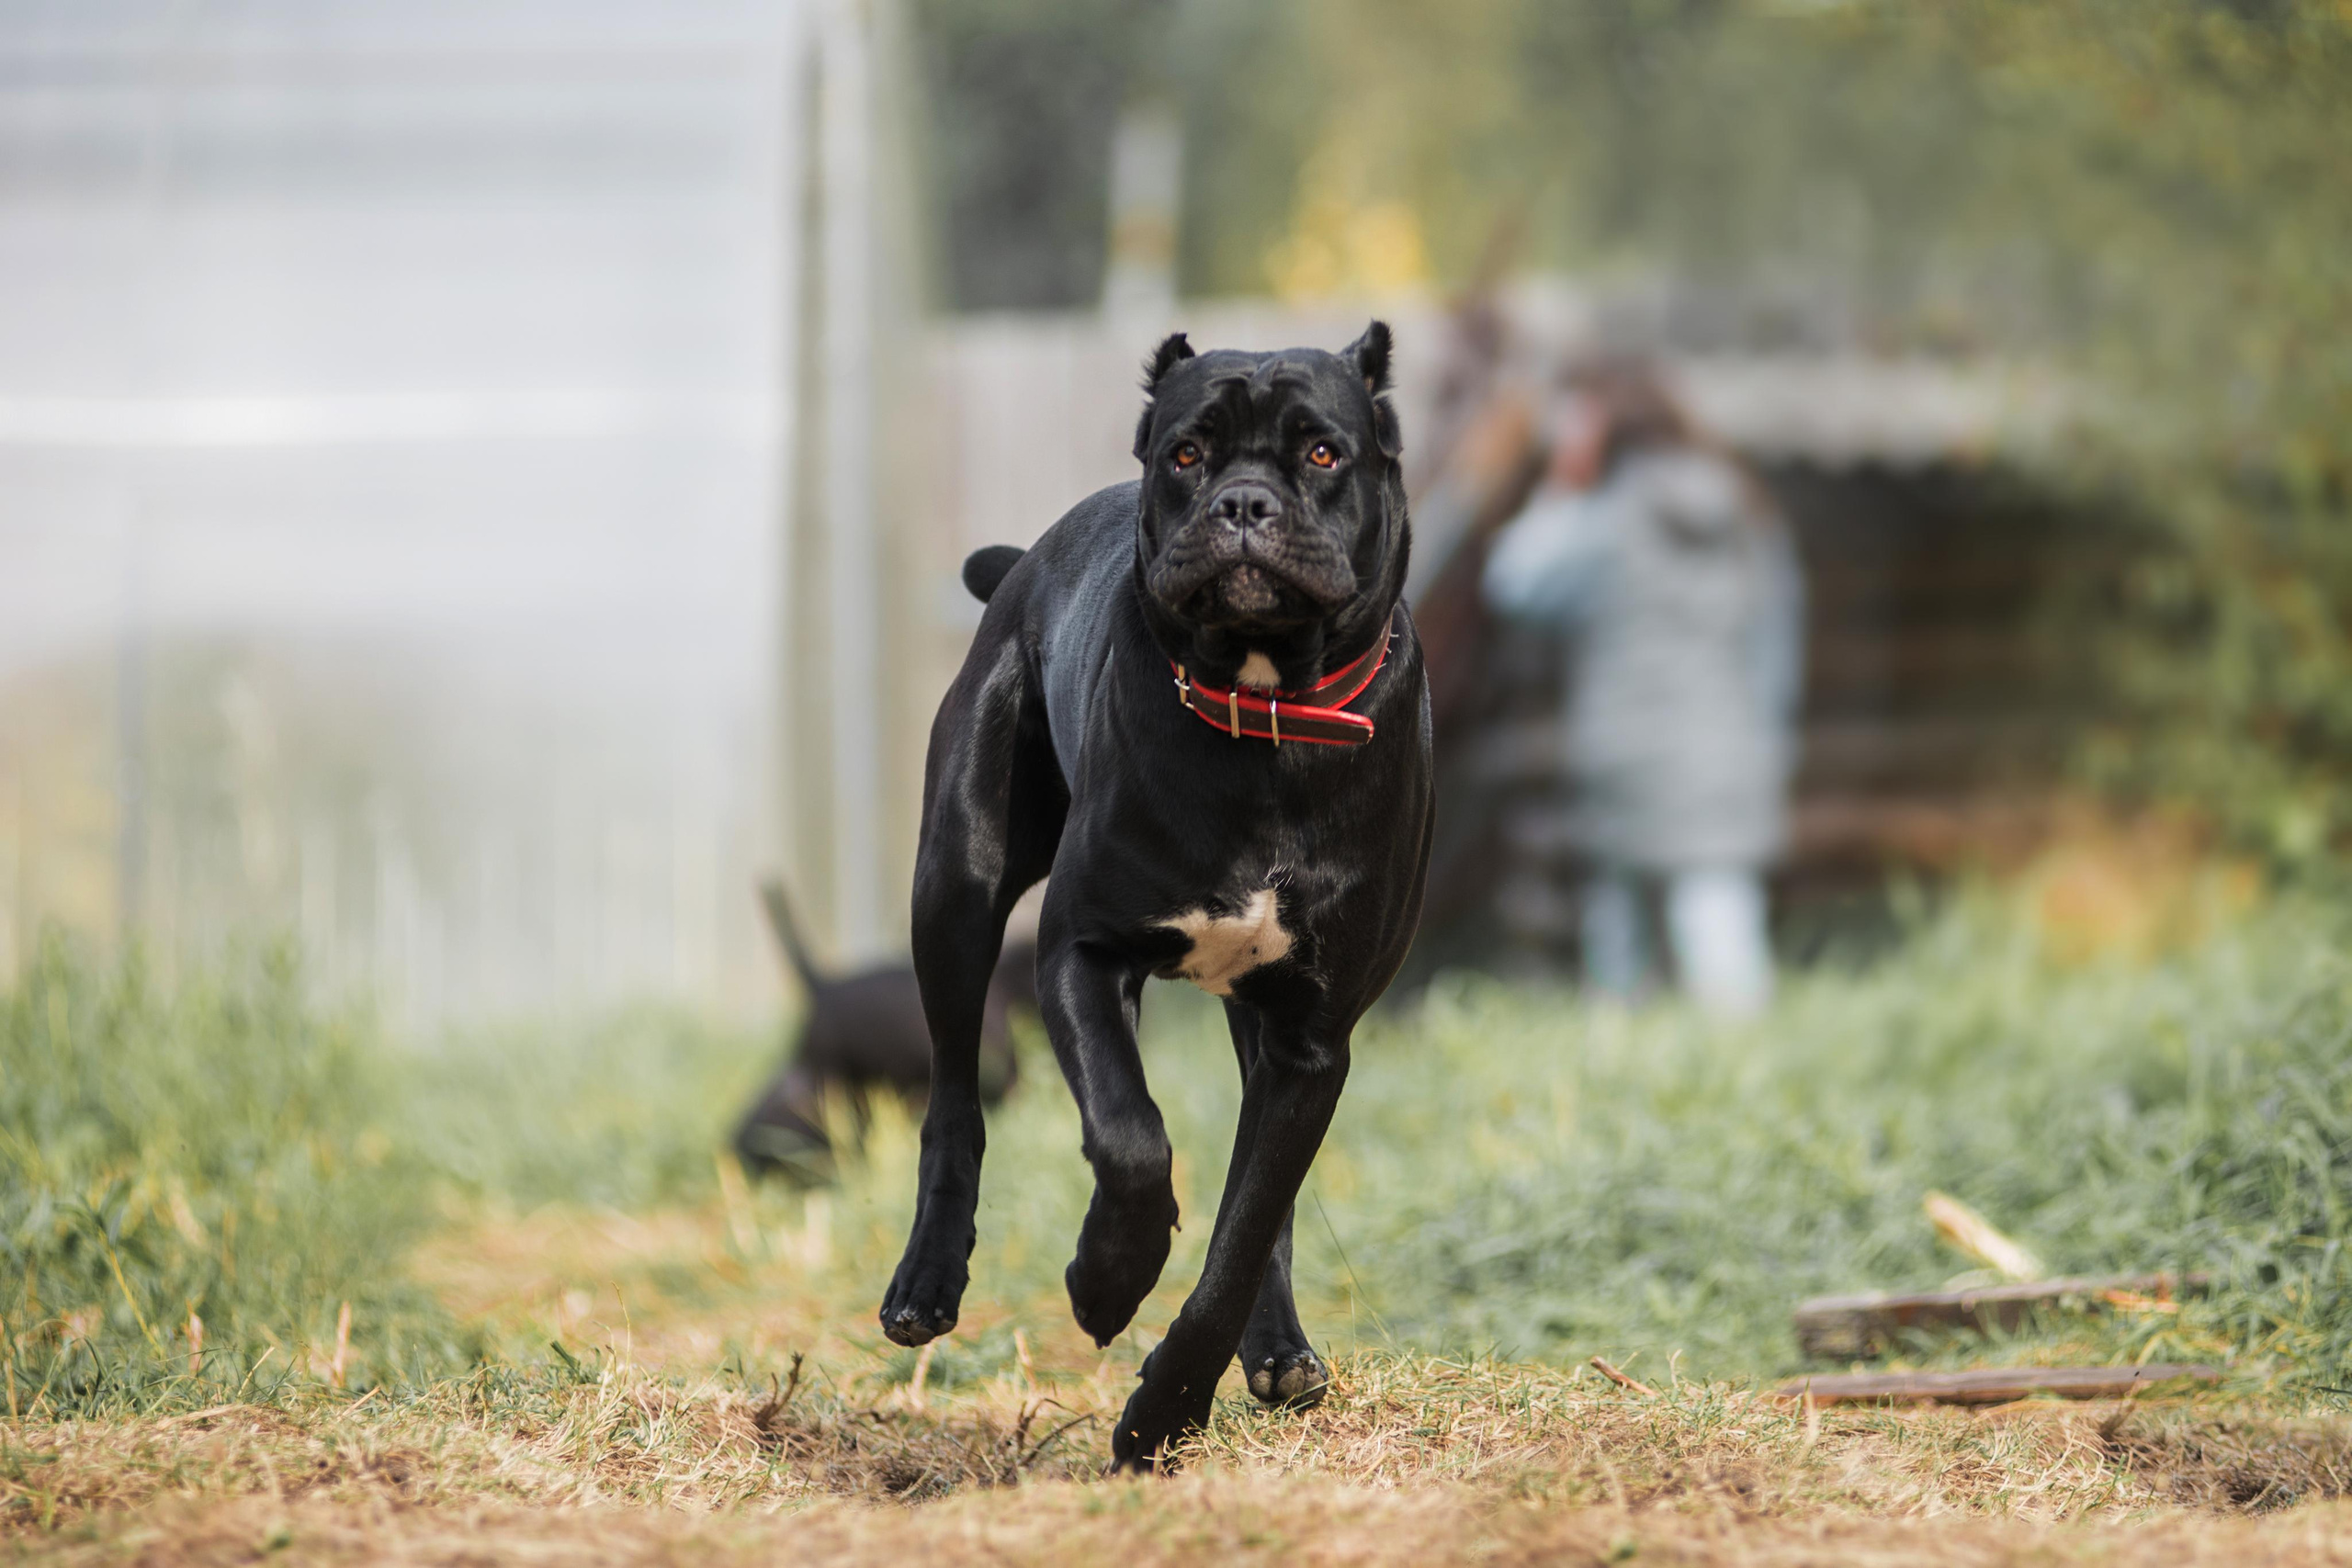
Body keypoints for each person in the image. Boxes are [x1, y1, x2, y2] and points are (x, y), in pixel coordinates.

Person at [1481, 362, 1804, 1016]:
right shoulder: (1745, 508)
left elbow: (1511, 581)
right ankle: (1752, 1084)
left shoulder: (1603, 517)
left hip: (1622, 755)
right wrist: (1767, 739)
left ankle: (1619, 1072)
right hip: (1727, 749)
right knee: (1722, 931)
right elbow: (1779, 637)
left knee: (1619, 944)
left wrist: (1562, 486)